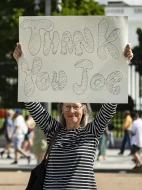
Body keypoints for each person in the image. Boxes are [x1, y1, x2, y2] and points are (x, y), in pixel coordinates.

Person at [13, 43, 133, 189]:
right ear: (62, 109)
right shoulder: (53, 130)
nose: (71, 111)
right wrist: (22, 64)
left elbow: (111, 103)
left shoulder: (92, 131)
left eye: (76, 107)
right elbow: (31, 103)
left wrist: (123, 63)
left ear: (83, 110)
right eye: (67, 106)